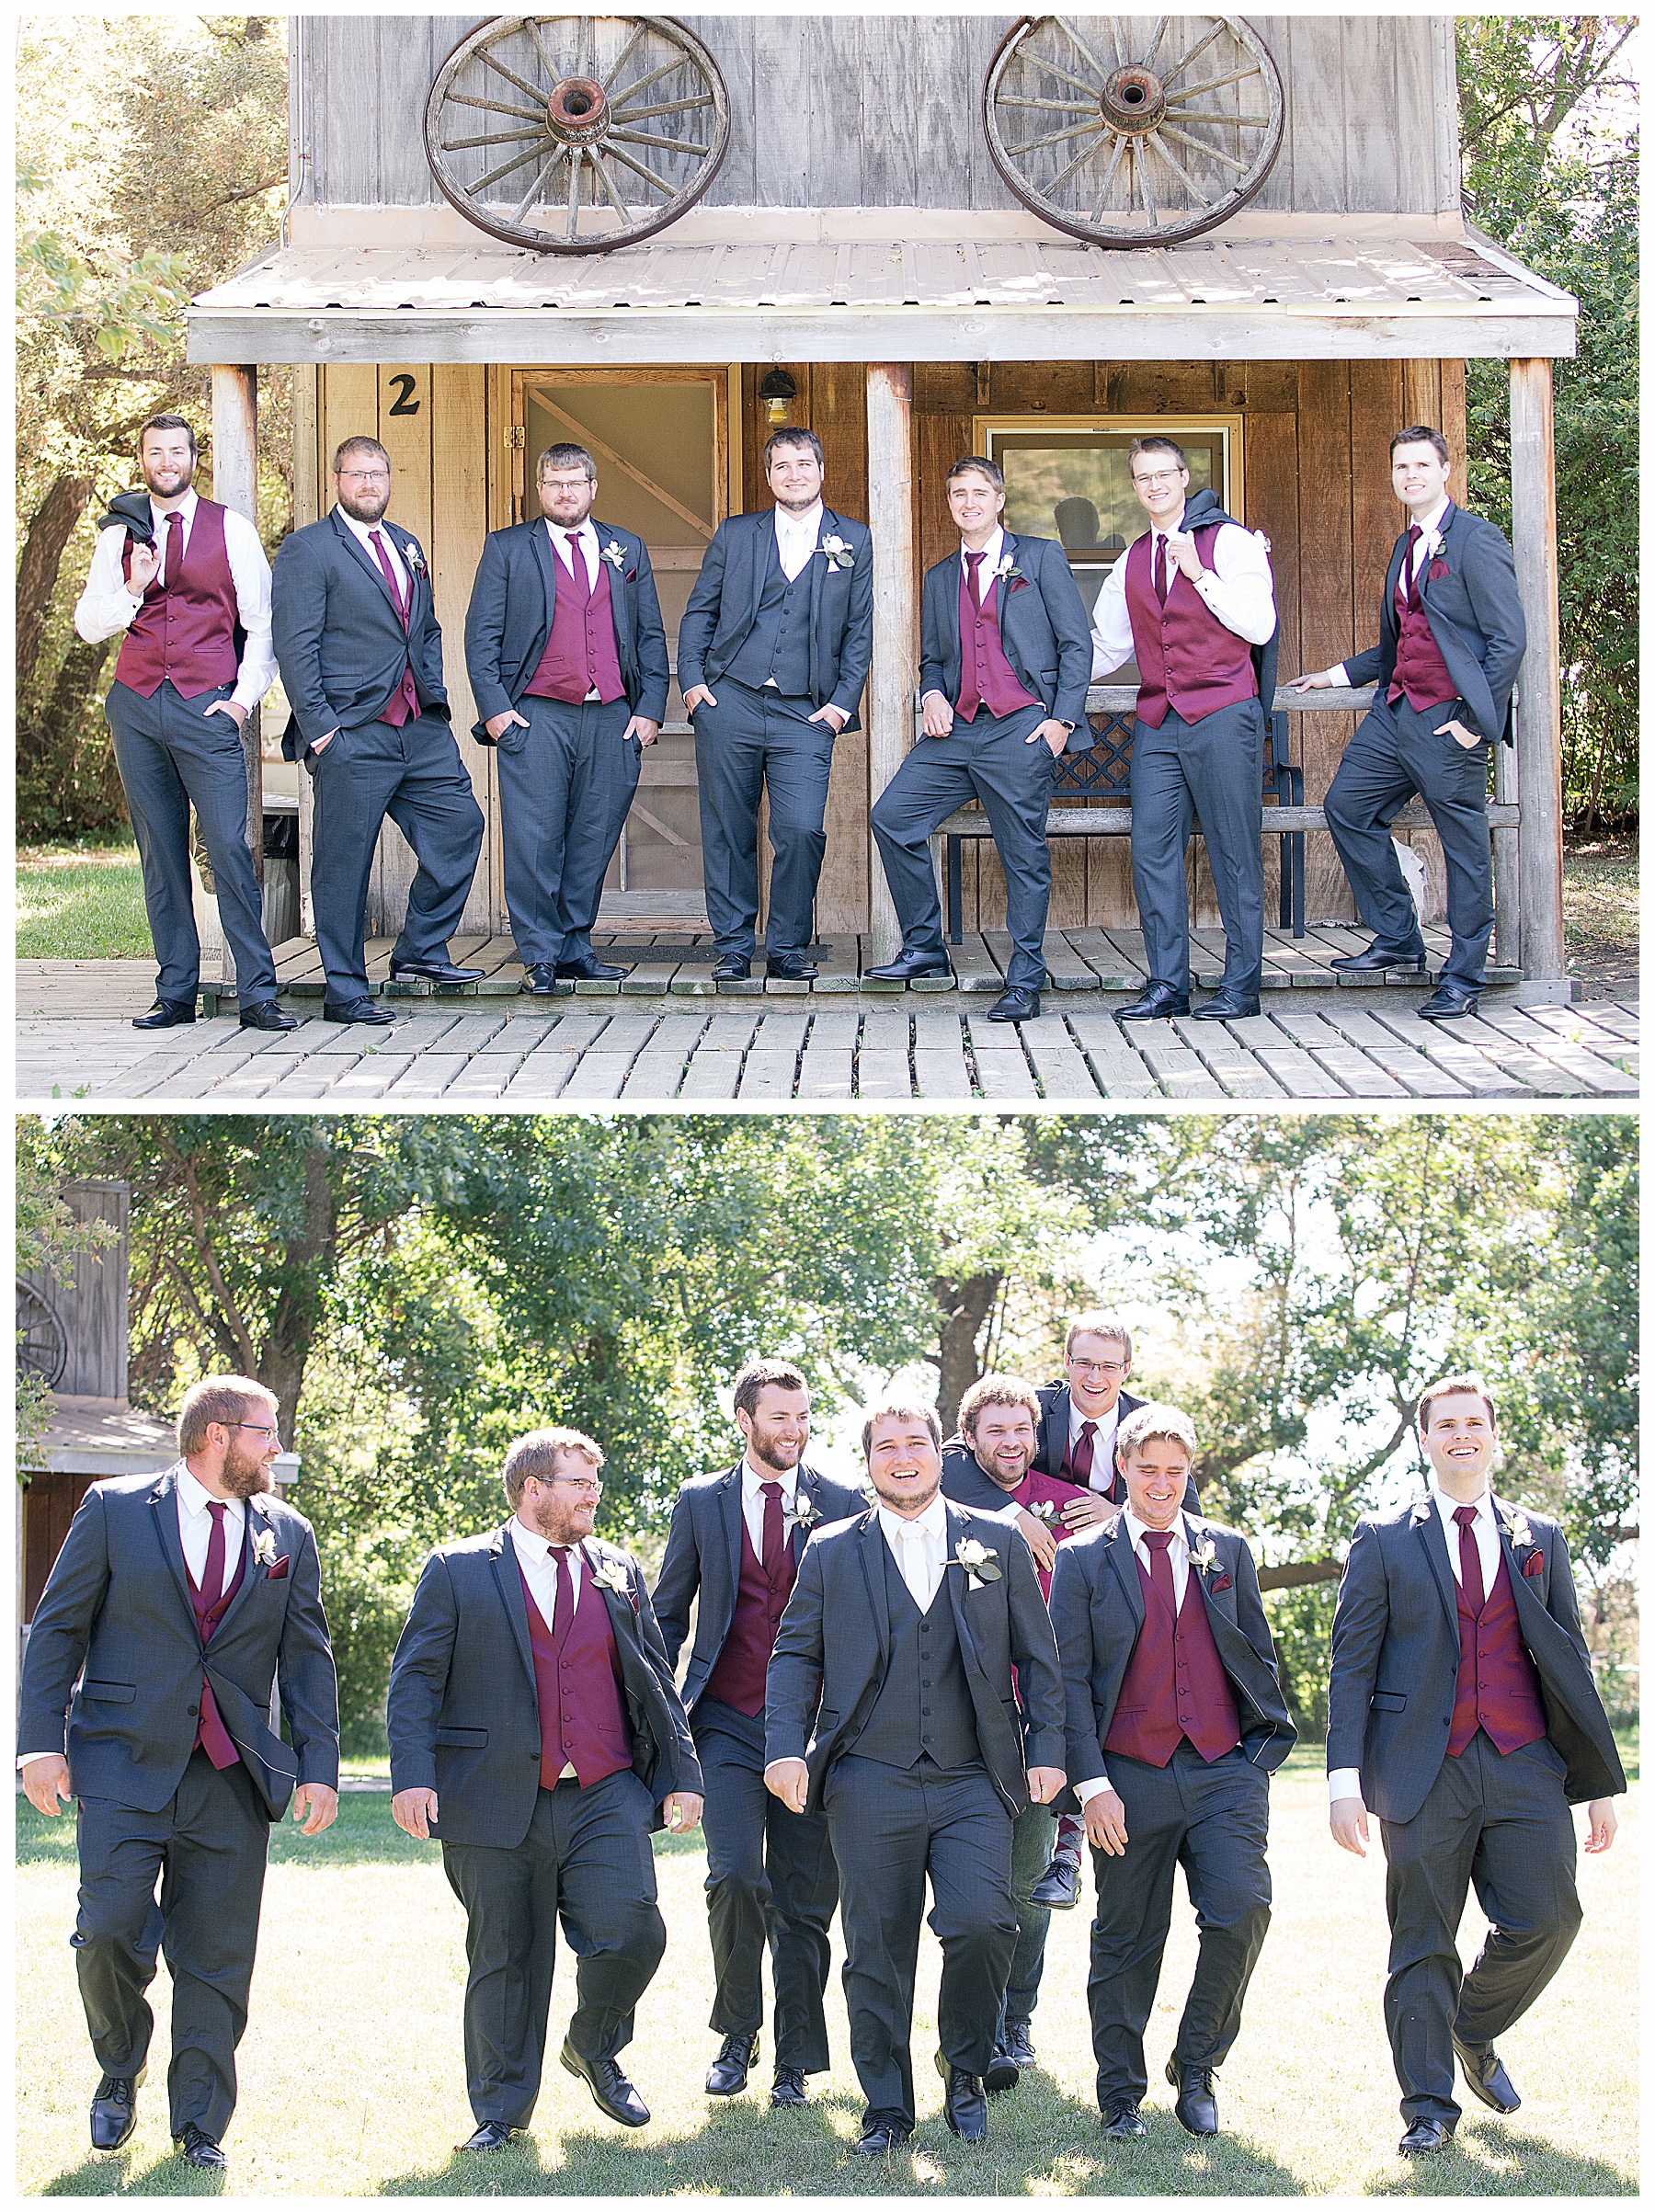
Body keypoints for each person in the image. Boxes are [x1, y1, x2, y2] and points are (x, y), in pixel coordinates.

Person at [17, 1376, 339, 2171]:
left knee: (218, 1951)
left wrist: (319, 1764)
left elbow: (307, 1657)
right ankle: (118, 2070)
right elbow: (57, 1631)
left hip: (232, 1771)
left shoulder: (286, 1533)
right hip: (121, 1760)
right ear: (217, 1436)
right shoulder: (116, 1509)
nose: (276, 1447)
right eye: (265, 1432)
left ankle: (199, 2125)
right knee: (110, 1927)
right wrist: (38, 1744)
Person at [1326, 1373, 1623, 2156]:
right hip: (1423, 1765)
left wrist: (1595, 1785)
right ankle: (1427, 2106)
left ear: (1492, 1434)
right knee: (1421, 1938)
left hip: (1528, 1761)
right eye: (1445, 1424)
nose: (1461, 1435)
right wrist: (1343, 1781)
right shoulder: (1384, 1536)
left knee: (1551, 1916)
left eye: (1473, 1422)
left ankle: (1471, 2026)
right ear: (1425, 1440)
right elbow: (1351, 1664)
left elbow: (1570, 1661)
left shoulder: (1539, 1536)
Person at [386, 1427, 702, 2148]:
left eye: (595, 1483)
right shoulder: (458, 1569)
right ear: (534, 1490)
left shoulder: (617, 1568)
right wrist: (412, 1777)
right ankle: (500, 2113)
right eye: (579, 1484)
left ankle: (593, 2044)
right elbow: (415, 1683)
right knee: (506, 1955)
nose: (594, 1496)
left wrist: (684, 1774)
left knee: (633, 1929)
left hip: (604, 1789)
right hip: (491, 1795)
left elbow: (655, 1677)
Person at [765, 1399, 1066, 2154]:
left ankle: (965, 2071)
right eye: (885, 1448)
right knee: (877, 1946)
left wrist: (1049, 1749)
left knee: (984, 1923)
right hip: (868, 1776)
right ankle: (888, 2108)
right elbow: (795, 1655)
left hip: (974, 1776)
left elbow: (1040, 1656)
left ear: (942, 1452)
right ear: (867, 1463)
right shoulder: (833, 1549)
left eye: (915, 1444)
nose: (903, 1458)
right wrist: (784, 1746)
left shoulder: (993, 1538)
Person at [1049, 1401, 1294, 2141]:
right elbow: (1067, 1681)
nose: (1162, 1484)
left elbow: (1256, 1653)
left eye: (1175, 1472)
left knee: (1242, 1910)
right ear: (1121, 1468)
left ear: (1189, 1473)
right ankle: (1121, 2092)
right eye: (1147, 1469)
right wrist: (1091, 1788)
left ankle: (1197, 2064)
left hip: (1225, 1770)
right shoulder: (1084, 1558)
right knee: (1127, 1935)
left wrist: (1257, 1758)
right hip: (1128, 1776)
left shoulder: (1228, 1549)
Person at [651, 1360, 865, 2106]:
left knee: (806, 1897)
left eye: (804, 1417)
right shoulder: (700, 1502)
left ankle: (795, 2061)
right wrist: (663, 1713)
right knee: (735, 1875)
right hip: (726, 1723)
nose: (796, 1431)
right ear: (745, 1421)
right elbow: (667, 1612)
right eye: (780, 1418)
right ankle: (738, 2031)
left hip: (813, 1732)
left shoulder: (842, 1501)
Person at [1291, 427, 1526, 1020]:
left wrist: (1478, 721)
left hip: (1449, 718)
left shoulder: (1476, 540)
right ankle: (1399, 937)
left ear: (1446, 470)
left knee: (1464, 845)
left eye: (1422, 464)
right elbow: (1398, 641)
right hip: (1394, 712)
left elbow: (1507, 640)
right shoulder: (1406, 545)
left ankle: (1465, 973)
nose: (1411, 475)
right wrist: (1337, 675)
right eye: (1401, 466)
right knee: (1346, 808)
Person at [73, 414, 294, 1035]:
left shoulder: (232, 529)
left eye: (177, 451)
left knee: (228, 844)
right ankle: (175, 991)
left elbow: (263, 624)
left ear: (194, 458)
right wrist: (134, 590)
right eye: (155, 452)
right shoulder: (119, 535)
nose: (166, 461)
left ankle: (256, 993)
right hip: (136, 704)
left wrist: (244, 700)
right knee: (160, 851)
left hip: (208, 705)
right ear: (141, 459)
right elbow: (89, 624)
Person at [868, 456, 1092, 1023]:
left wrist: (1061, 722)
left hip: (1021, 728)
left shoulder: (1038, 558)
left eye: (979, 493)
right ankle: (925, 948)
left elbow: (1075, 646)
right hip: (959, 728)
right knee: (892, 818)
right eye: (958, 494)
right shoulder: (940, 576)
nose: (968, 503)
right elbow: (934, 659)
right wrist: (932, 694)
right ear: (950, 504)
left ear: (999, 501)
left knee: (1022, 852)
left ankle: (1025, 977)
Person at [270, 435, 485, 1024]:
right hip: (350, 732)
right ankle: (344, 988)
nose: (369, 484)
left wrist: (435, 701)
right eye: (357, 474)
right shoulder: (308, 550)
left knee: (461, 826)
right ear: (336, 480)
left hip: (418, 729)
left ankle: (418, 953)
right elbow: (294, 646)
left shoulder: (407, 545)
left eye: (378, 474)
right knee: (344, 864)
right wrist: (321, 731)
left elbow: (426, 630)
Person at [463, 442, 670, 995]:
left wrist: (650, 709)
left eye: (575, 482)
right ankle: (540, 955)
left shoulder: (626, 549)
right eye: (555, 483)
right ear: (540, 489)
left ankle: (575, 945)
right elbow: (480, 636)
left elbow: (650, 634)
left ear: (593, 487)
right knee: (534, 839)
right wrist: (498, 712)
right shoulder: (508, 548)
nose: (565, 492)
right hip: (536, 715)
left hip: (612, 717)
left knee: (593, 836)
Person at [939, 1375, 1099, 2081]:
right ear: (969, 1440)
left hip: (1043, 1721)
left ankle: (1016, 2023)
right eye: (994, 1431)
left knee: (1029, 1884)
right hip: (962, 1718)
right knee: (971, 1893)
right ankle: (967, 2023)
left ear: (1039, 1436)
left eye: (1022, 1431)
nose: (1010, 1443)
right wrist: (1009, 1515)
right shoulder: (946, 1504)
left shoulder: (1072, 1507)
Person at [1090, 436, 1278, 1022]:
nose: (1154, 486)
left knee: (1234, 852)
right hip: (1159, 720)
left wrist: (1199, 575)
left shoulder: (1231, 541)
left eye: (1163, 475)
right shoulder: (1132, 559)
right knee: (1152, 850)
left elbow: (1259, 624)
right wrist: (1039, 677)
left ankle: (1241, 986)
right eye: (1142, 478)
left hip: (1223, 713)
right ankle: (1167, 983)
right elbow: (1105, 646)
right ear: (1135, 486)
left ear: (1184, 476)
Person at [678, 428, 873, 982]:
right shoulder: (738, 535)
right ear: (769, 476)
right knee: (727, 827)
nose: (794, 474)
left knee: (800, 828)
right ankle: (734, 946)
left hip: (805, 712)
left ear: (820, 471)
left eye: (804, 464)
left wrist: (840, 704)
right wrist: (693, 683)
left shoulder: (853, 539)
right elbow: (700, 613)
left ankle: (787, 944)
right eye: (782, 466)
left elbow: (860, 630)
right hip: (730, 699)